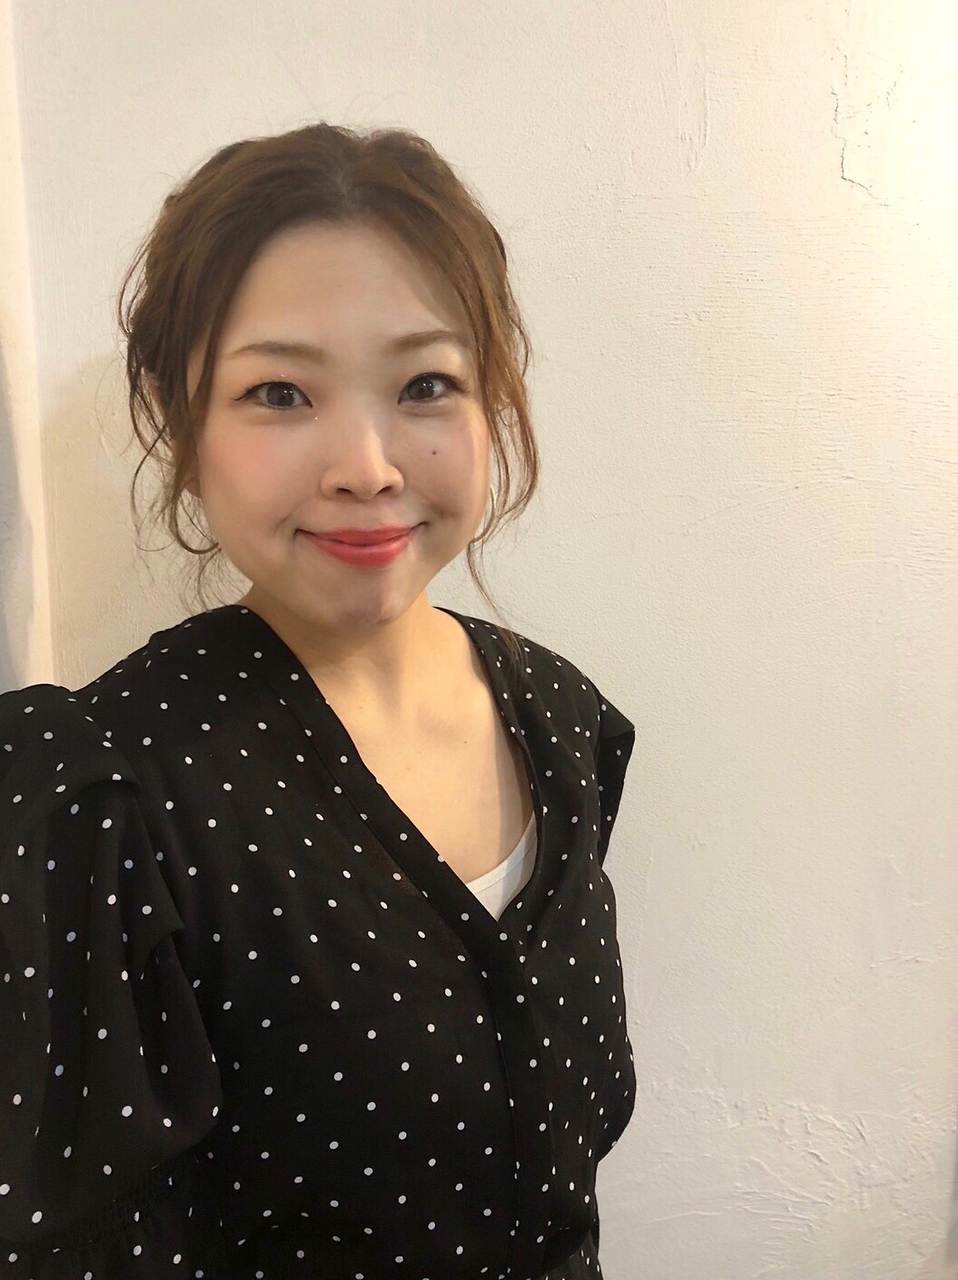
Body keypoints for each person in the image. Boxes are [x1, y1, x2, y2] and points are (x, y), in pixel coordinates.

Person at [0, 122, 636, 1280]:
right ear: (179, 420)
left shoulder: (561, 720)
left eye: (426, 384)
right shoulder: (103, 797)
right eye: (280, 391)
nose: (366, 466)